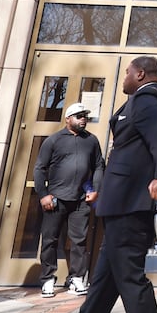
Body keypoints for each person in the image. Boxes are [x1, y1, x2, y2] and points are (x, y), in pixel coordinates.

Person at [27, 55, 157, 313]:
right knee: (102, 289)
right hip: (122, 205)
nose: (124, 77)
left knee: (132, 282)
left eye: (127, 72)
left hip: (130, 205)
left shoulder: (147, 99)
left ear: (139, 74)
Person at [34, 102, 105, 297]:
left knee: (79, 240)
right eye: (79, 116)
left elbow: (99, 165)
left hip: (81, 200)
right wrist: (43, 194)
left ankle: (76, 278)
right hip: (55, 199)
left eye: (85, 116)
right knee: (50, 240)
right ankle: (48, 278)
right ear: (68, 119)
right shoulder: (54, 140)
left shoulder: (91, 141)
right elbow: (40, 168)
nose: (83, 120)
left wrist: (96, 189)